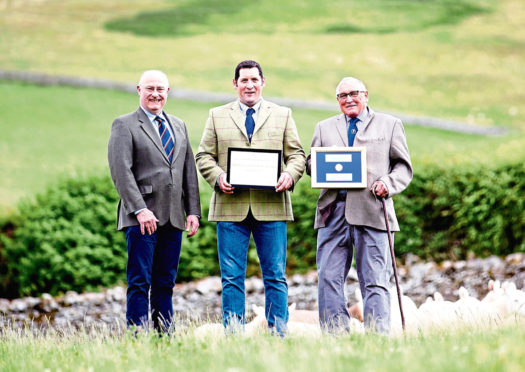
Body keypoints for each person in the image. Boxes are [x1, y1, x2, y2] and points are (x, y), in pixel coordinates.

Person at [195, 60, 306, 335]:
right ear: (235, 84)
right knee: (231, 278)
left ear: (263, 82)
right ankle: (233, 335)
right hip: (230, 208)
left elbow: (297, 156)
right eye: (244, 80)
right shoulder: (216, 115)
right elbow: (203, 156)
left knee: (276, 276)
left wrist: (290, 176)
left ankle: (278, 334)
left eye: (254, 80)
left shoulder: (283, 114)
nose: (249, 85)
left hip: (272, 207)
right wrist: (218, 176)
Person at [306, 77, 413, 334]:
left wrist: (388, 183)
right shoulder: (324, 127)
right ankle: (335, 337)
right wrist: (319, 166)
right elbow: (311, 163)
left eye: (353, 93)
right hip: (333, 213)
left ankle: (378, 338)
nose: (348, 99)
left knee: (375, 280)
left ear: (366, 95)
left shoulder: (390, 124)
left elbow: (403, 167)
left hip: (373, 211)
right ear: (337, 100)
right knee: (329, 279)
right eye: (342, 96)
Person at [108, 70, 201, 333]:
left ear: (167, 93)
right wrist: (140, 209)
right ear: (139, 89)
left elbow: (187, 170)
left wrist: (193, 210)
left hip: (173, 216)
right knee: (139, 282)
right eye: (150, 88)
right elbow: (121, 172)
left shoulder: (179, 125)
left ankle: (165, 337)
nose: (155, 94)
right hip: (141, 218)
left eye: (160, 89)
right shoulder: (124, 125)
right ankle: (137, 337)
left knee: (166, 282)